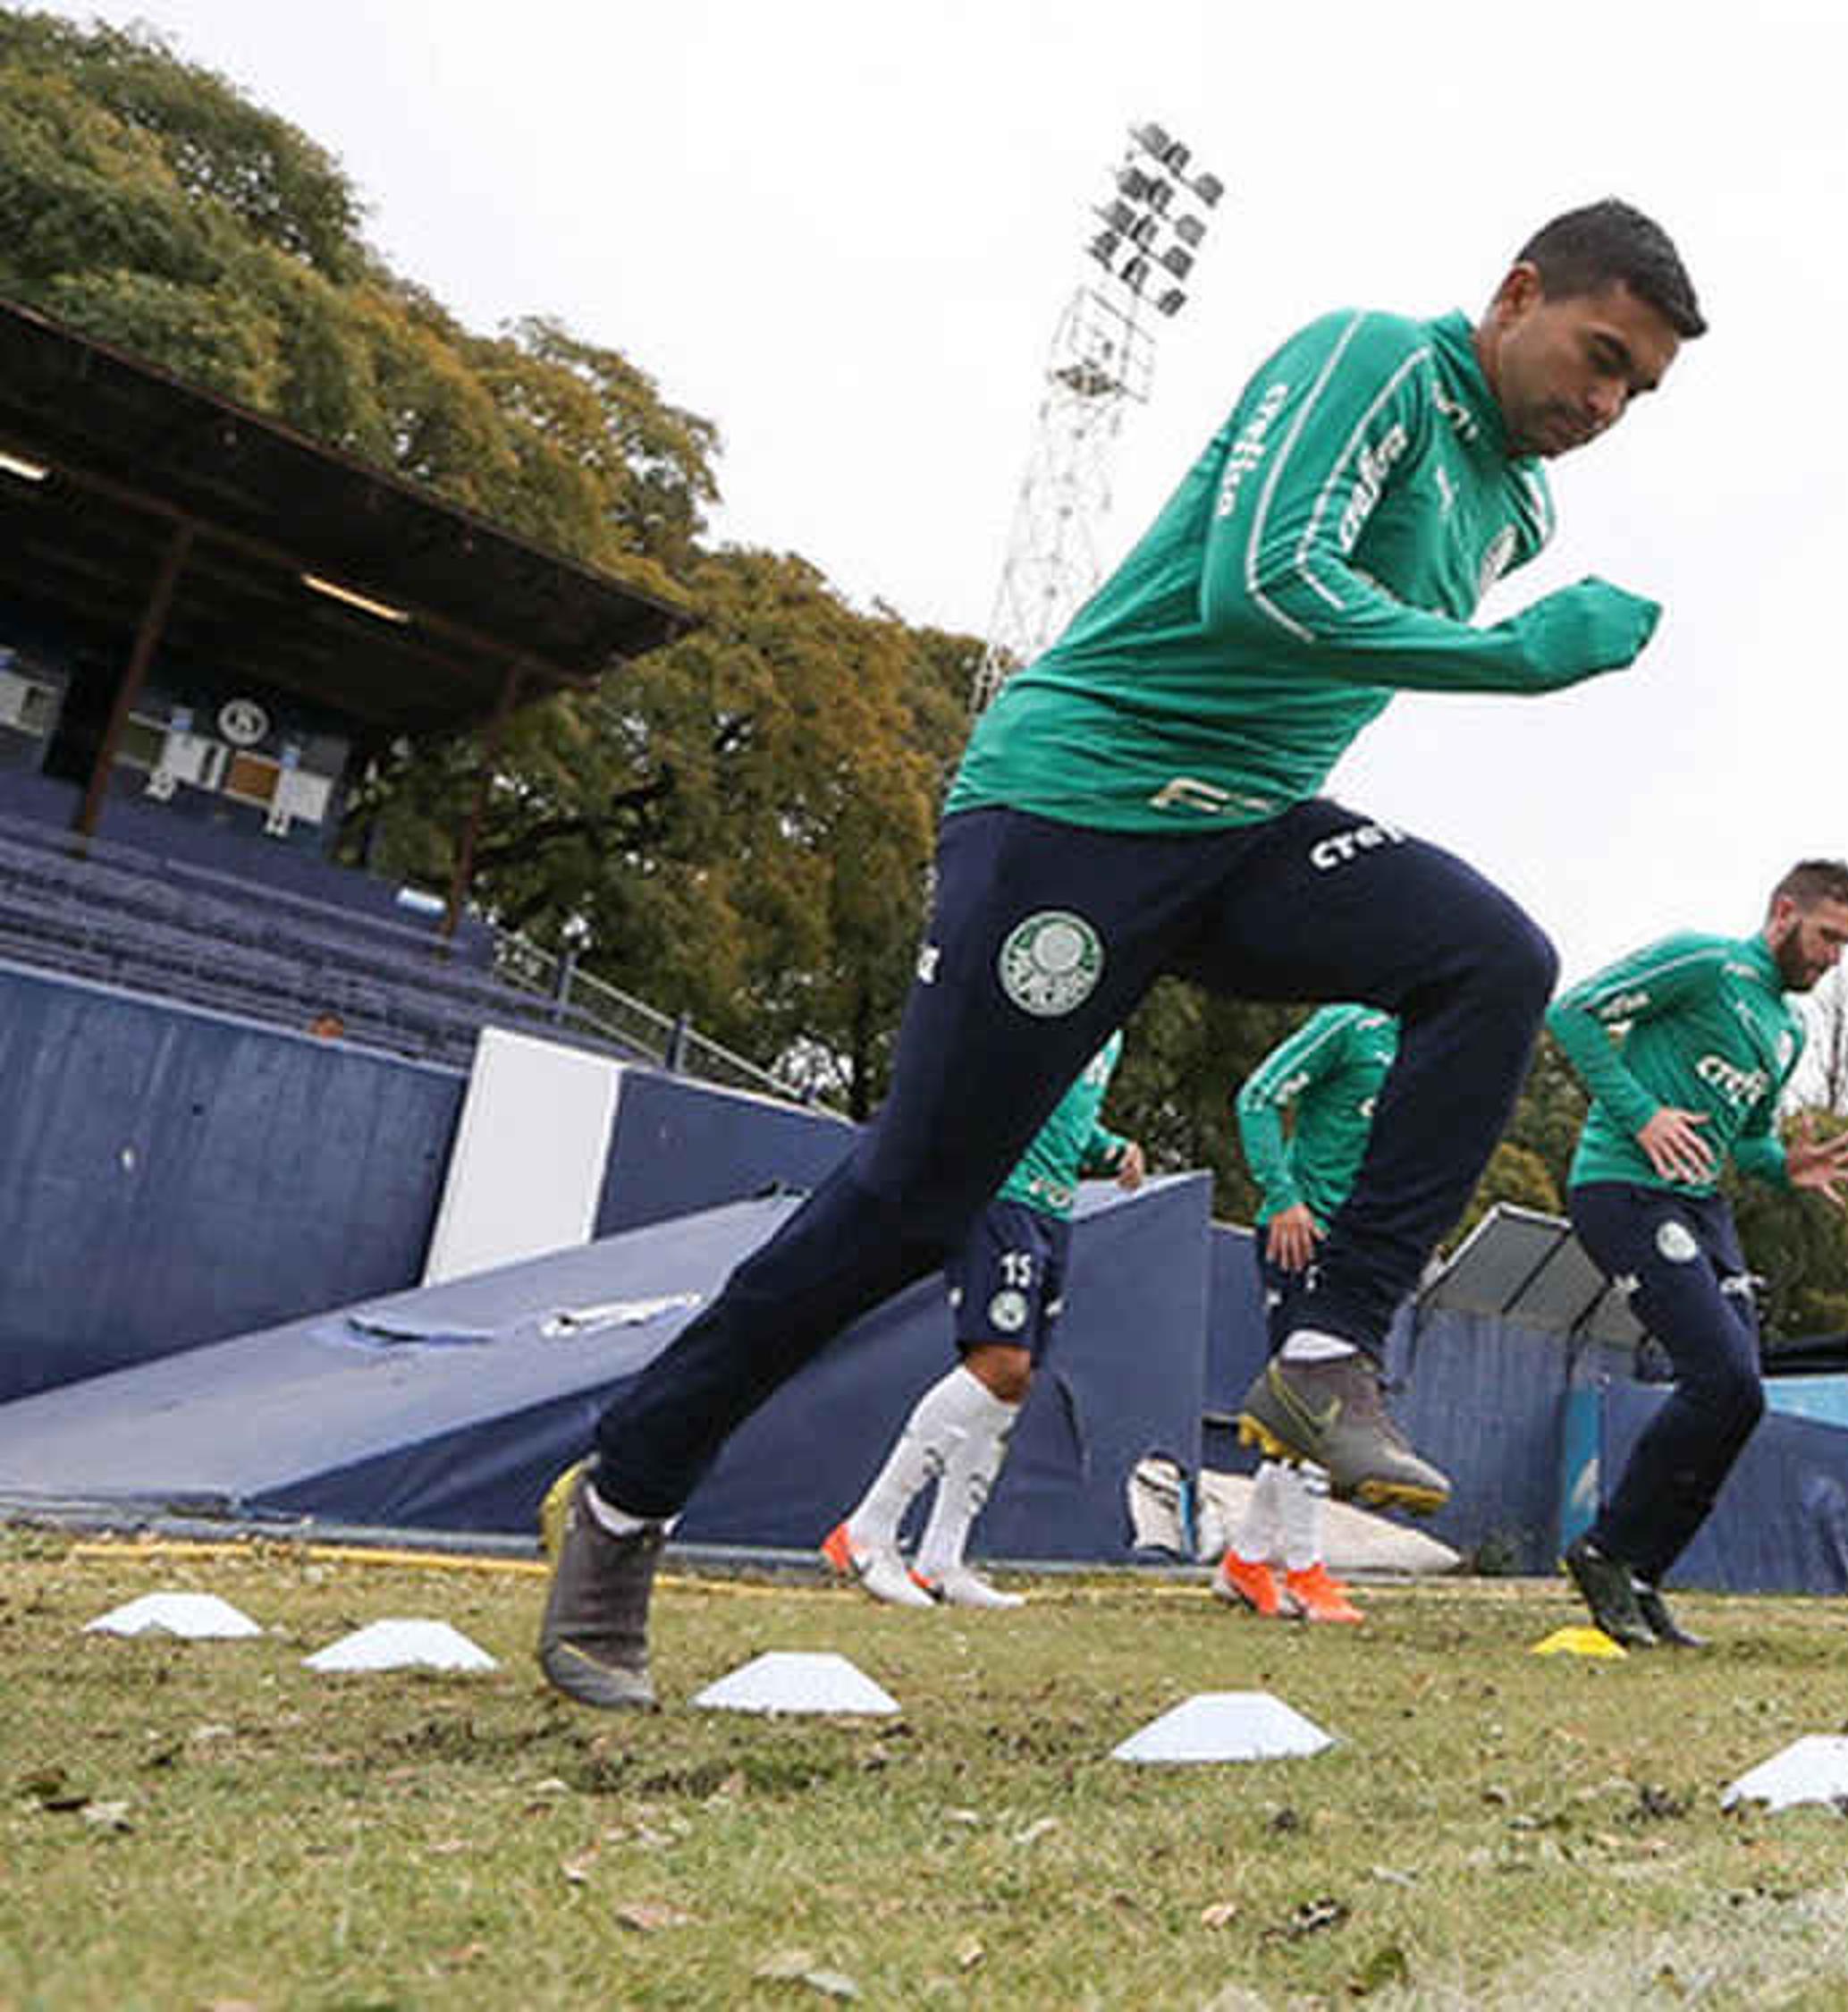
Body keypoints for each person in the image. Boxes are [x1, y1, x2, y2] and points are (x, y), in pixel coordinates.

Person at [532, 201, 1706, 1710]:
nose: (1604, 406)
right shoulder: (1373, 363)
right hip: (1076, 809)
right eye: (1598, 356)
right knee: (909, 1204)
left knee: (1492, 959)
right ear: (1518, 293)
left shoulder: (1520, 511)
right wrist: (1513, 658)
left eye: (1638, 393)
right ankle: (625, 1497)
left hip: (1246, 837)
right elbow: (1261, 587)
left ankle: (1332, 1348)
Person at [1545, 860, 1848, 1647]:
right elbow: (1573, 1013)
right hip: (1623, 1188)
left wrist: (1784, 1167)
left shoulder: (1786, 1031)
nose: (1833, 958)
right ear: (1784, 912)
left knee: (1743, 1396)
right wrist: (1643, 1112)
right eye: (1827, 936)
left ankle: (1643, 1572)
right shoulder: (1705, 963)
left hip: (1703, 1204)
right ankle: (1602, 1550)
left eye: (1845, 945)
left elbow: (1750, 1136)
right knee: (1718, 1374)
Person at [820, 1034, 1143, 1610]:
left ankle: (942, 1559)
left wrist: (1110, 1149)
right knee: (998, 1362)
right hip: (999, 1195)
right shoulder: (1058, 975)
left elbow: (1064, 1119)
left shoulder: (1111, 1029)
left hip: (1053, 1210)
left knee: (1015, 1381)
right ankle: (867, 1528)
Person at [1219, 1002, 1404, 1625]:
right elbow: (1258, 1097)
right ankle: (1302, 1571)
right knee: (1311, 1407)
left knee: (1316, 1411)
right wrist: (1283, 1197)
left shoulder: (1437, 1045)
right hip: (1300, 1237)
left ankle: (1246, 1562)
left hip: (1362, 1250)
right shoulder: (1349, 1025)